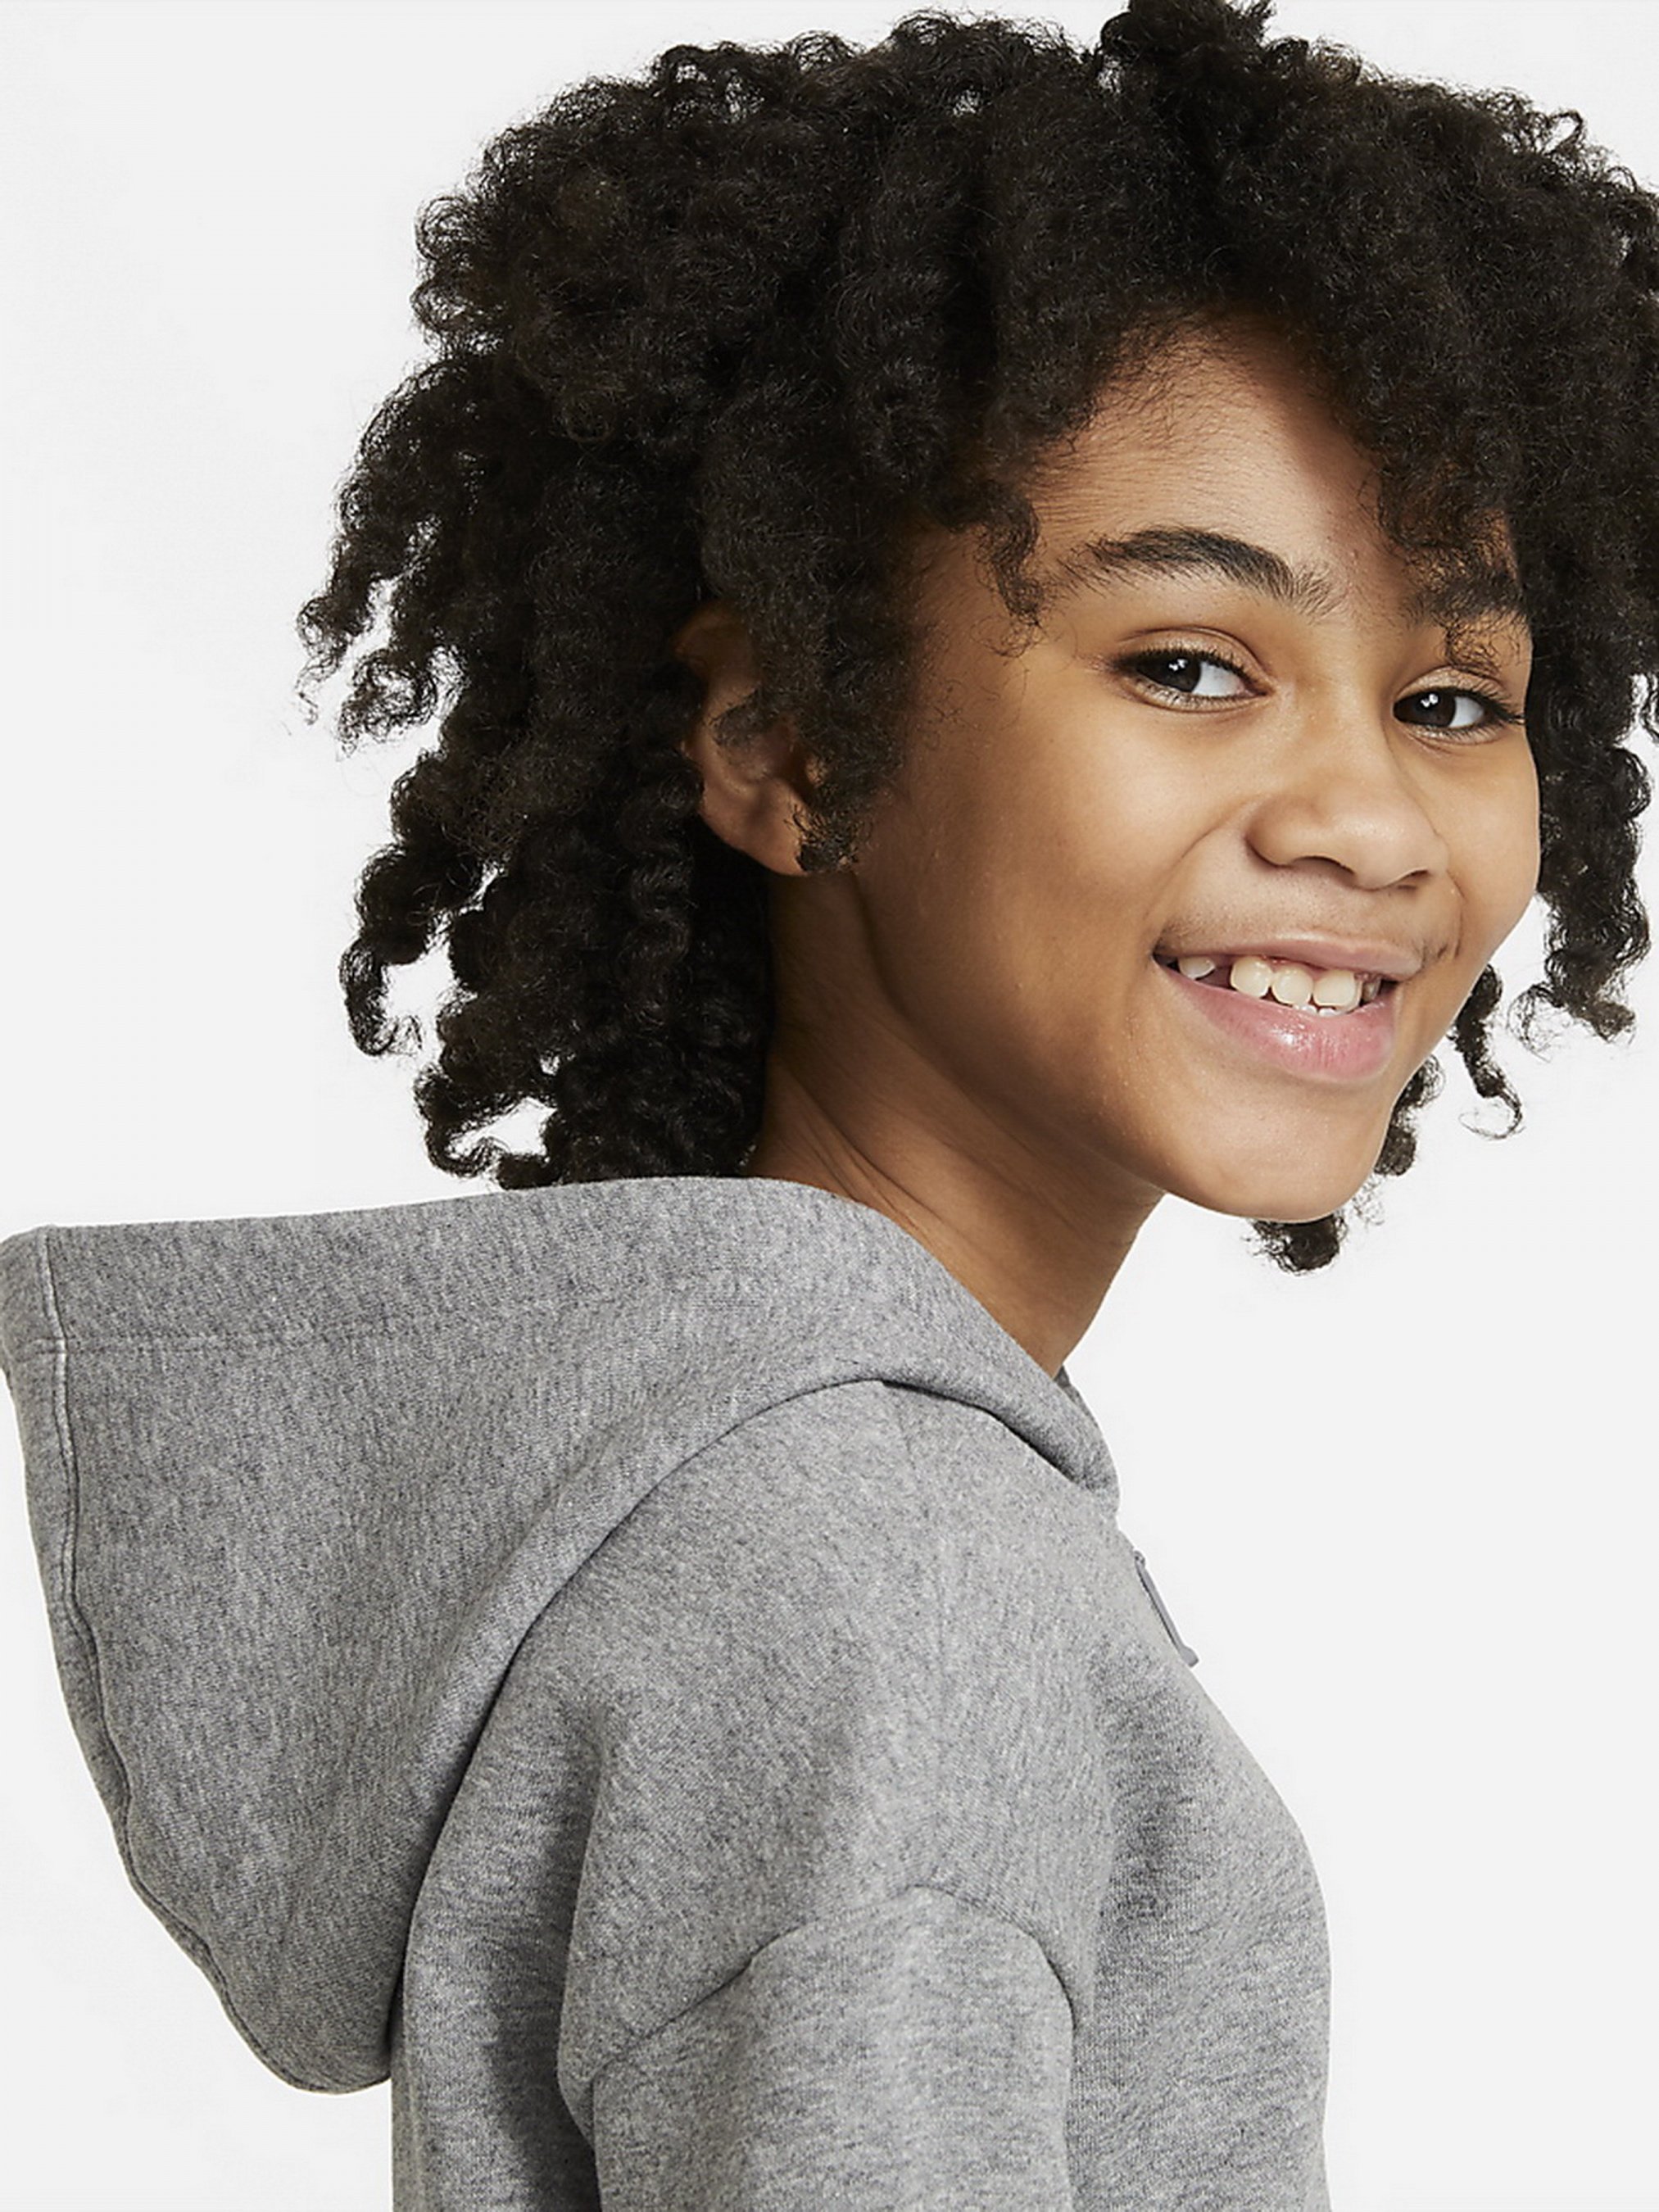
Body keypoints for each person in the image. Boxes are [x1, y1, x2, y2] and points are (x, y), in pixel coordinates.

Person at [1, 0, 1653, 2204]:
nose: (1366, 816)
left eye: (1451, 697)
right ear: (790, 748)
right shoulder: (891, 1591)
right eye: (1186, 663)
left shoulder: (767, 1517)